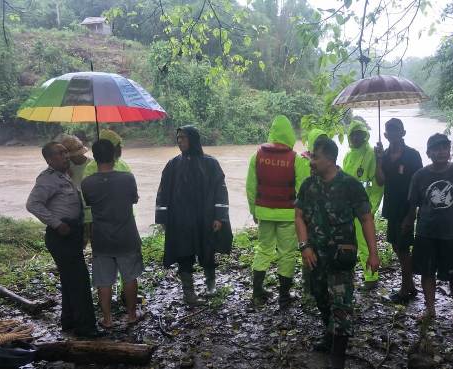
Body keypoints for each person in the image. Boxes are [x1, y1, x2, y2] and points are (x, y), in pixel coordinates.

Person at [295, 137, 380, 369]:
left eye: (315, 157)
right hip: (314, 256)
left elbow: (366, 218)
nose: (311, 161)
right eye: (312, 156)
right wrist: (304, 246)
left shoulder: (350, 185)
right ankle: (329, 336)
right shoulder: (308, 186)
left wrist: (373, 253)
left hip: (341, 256)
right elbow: (299, 216)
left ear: (330, 159)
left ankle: (338, 357)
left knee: (341, 305)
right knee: (321, 297)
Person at [402, 133, 453, 327]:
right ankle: (430, 309)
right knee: (427, 273)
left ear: (449, 150)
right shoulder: (420, 175)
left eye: (444, 147)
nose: (441, 151)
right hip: (426, 231)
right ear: (428, 153)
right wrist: (409, 222)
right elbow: (414, 203)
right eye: (436, 148)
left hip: (452, 233)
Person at [26, 142, 99, 338]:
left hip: (71, 233)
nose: (66, 156)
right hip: (61, 235)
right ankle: (86, 328)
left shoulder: (64, 175)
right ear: (49, 160)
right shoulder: (47, 179)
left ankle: (69, 322)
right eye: (60, 153)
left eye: (66, 152)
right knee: (79, 281)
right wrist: (56, 223)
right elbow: (32, 204)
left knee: (69, 281)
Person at [155, 126, 232, 306]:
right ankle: (189, 293)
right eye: (178, 138)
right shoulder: (173, 165)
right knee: (184, 254)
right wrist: (163, 219)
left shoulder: (210, 164)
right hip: (181, 220)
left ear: (194, 139)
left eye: (183, 137)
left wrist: (219, 217)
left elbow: (221, 191)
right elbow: (163, 193)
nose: (180, 141)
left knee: (207, 251)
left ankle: (210, 284)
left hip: (205, 218)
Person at [81, 140, 144, 328]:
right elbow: (134, 199)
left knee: (104, 280)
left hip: (101, 237)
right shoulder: (127, 178)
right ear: (115, 155)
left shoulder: (87, 183)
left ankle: (107, 319)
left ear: (94, 157)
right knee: (130, 277)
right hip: (126, 235)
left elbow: (90, 202)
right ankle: (132, 315)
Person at [246, 115, 306, 308]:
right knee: (287, 253)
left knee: (264, 249)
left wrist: (253, 210)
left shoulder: (257, 156)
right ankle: (284, 296)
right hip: (288, 214)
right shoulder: (295, 159)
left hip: (264, 211)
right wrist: (303, 216)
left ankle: (257, 291)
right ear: (289, 134)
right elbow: (303, 189)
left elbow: (251, 186)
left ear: (272, 133)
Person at [374, 118, 423, 304]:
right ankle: (409, 285)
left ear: (403, 133)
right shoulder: (384, 156)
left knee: (403, 249)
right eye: (390, 131)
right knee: (396, 246)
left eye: (396, 130)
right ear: (386, 135)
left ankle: (405, 289)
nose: (393, 134)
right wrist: (378, 160)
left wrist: (412, 214)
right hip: (391, 207)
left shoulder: (413, 155)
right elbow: (380, 181)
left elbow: (419, 184)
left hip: (407, 208)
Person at [342, 119, 383, 289]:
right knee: (348, 243)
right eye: (353, 135)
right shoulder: (348, 156)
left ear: (365, 135)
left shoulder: (372, 154)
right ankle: (348, 275)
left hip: (364, 208)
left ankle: (371, 278)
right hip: (347, 208)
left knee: (366, 242)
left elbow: (378, 186)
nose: (356, 138)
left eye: (360, 134)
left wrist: (372, 207)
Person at [299, 128, 328, 294]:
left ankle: (325, 287)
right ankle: (308, 287)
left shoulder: (328, 161)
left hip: (326, 217)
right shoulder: (302, 161)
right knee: (308, 251)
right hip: (309, 215)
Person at [59, 134, 93, 246]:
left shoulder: (93, 165)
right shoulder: (65, 168)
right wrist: (65, 173)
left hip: (93, 211)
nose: (74, 158)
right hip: (75, 212)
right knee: (79, 243)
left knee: (96, 241)